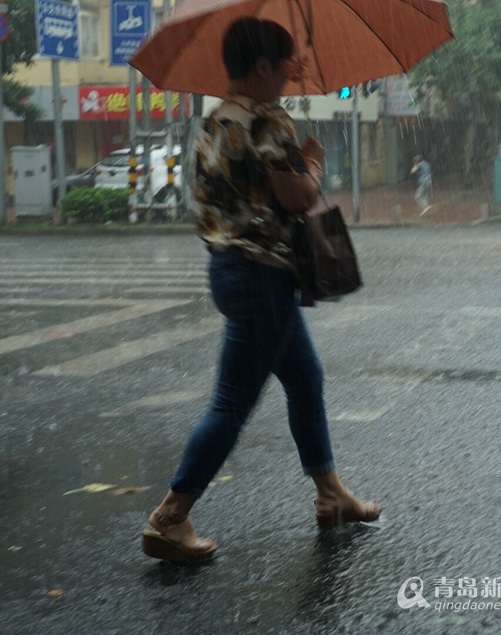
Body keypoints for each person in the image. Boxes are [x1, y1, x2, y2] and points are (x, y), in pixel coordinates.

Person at [141, 17, 380, 564]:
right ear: (261, 66)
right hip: (261, 276)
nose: (289, 79)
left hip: (230, 269)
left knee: (305, 376)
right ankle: (170, 516)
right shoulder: (268, 121)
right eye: (284, 67)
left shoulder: (218, 120)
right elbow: (297, 197)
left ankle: (331, 494)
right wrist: (313, 161)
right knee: (231, 403)